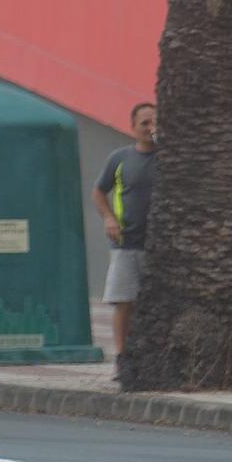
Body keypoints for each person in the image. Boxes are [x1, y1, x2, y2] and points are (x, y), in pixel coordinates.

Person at [91, 101, 157, 361]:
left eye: (154, 122)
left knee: (153, 305)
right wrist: (109, 218)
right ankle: (122, 356)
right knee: (123, 301)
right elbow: (98, 192)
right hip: (126, 242)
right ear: (132, 127)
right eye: (144, 123)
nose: (150, 128)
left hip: (160, 244)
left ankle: (151, 355)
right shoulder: (119, 159)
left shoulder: (171, 159)